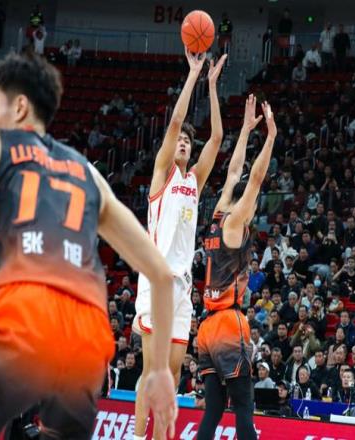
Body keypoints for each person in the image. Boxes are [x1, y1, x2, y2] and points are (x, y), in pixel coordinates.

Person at [0, 53, 176, 439]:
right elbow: (160, 273)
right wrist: (159, 371)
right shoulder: (88, 173)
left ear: (19, 107)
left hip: (23, 313)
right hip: (86, 337)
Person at [133, 50, 227, 440]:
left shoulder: (194, 181)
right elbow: (175, 121)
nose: (184, 143)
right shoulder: (162, 175)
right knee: (152, 370)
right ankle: (137, 437)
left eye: (189, 140)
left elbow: (217, 138)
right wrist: (193, 75)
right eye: (181, 140)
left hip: (182, 288)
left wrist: (212, 86)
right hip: (156, 280)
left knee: (172, 374)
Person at [196, 99, 276, 440]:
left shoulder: (218, 213)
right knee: (244, 406)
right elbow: (254, 177)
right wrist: (270, 136)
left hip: (205, 328)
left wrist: (244, 130)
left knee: (213, 411)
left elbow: (234, 171)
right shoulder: (236, 222)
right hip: (228, 323)